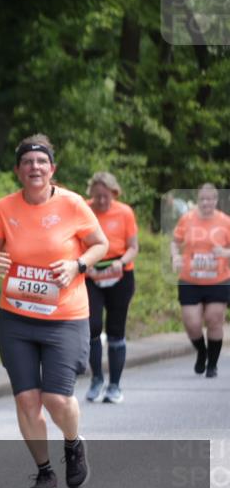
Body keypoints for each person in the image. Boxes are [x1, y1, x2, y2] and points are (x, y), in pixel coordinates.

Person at [0, 134, 107, 488]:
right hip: (17, 317)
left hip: (65, 317)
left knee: (56, 398)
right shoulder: (4, 208)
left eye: (41, 162)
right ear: (18, 170)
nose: (34, 167)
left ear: (52, 168)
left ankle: (72, 443)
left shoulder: (73, 204)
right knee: (26, 399)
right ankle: (44, 471)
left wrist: (77, 264)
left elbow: (101, 243)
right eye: (27, 162)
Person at [84, 172, 139, 403]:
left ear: (114, 193)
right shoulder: (84, 210)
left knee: (116, 330)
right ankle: (97, 379)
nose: (102, 201)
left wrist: (121, 262)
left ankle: (114, 386)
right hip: (91, 273)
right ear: (91, 195)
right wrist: (85, 266)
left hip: (120, 274)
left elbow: (133, 247)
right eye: (97, 197)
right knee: (92, 326)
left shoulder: (124, 212)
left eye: (106, 196)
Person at [171, 183, 229, 378]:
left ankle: (212, 364)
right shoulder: (187, 219)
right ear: (198, 199)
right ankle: (201, 352)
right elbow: (175, 242)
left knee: (214, 320)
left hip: (218, 279)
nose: (206, 203)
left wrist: (224, 252)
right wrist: (175, 256)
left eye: (210, 199)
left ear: (216, 200)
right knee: (192, 323)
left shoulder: (225, 222)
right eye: (202, 199)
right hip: (190, 279)